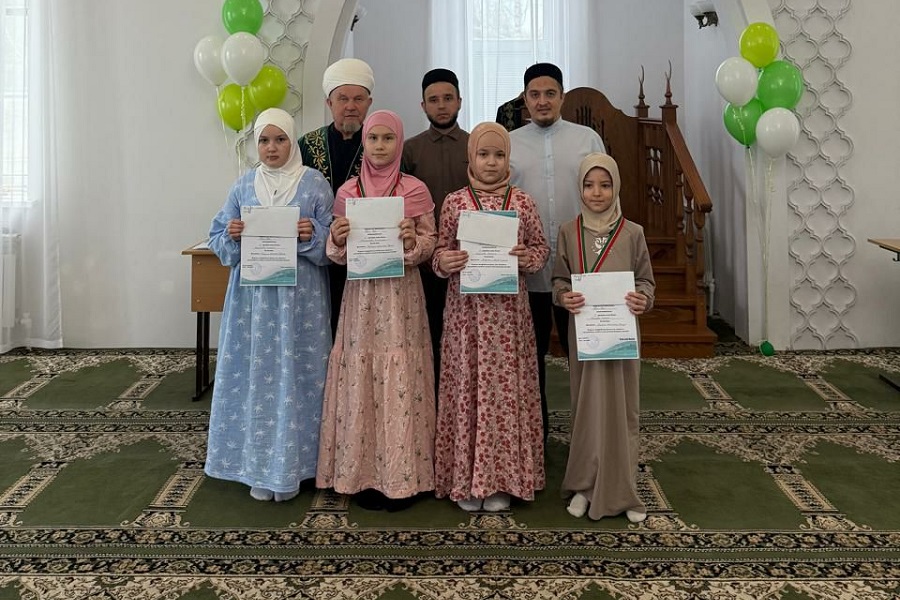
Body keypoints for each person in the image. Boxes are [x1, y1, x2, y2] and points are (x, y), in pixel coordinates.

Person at [205, 108, 334, 502]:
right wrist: (232, 234)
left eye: (280, 140)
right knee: (256, 376)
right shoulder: (243, 186)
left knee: (298, 375)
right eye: (264, 140)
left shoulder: (314, 184)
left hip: (300, 304)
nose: (272, 148)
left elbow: (334, 246)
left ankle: (298, 465)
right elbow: (216, 238)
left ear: (292, 142)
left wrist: (313, 234)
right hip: (253, 306)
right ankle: (258, 466)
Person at [316, 110, 438, 512]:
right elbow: (335, 254)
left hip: (401, 302)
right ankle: (363, 475)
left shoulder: (415, 190)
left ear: (399, 142)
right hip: (361, 302)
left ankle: (405, 477)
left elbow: (430, 244)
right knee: (362, 378)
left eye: (388, 138)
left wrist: (412, 239)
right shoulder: (348, 193)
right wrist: (337, 238)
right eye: (373, 138)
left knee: (400, 378)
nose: (380, 146)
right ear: (364, 143)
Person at [433, 122, 549, 512]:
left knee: (504, 394)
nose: (491, 162)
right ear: (471, 157)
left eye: (499, 155)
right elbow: (439, 252)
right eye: (483, 154)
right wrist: (446, 261)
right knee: (468, 389)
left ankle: (502, 479)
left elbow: (541, 248)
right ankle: (466, 481)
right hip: (466, 319)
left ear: (508, 158)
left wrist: (527, 258)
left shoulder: (523, 202)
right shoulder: (455, 202)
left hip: (508, 320)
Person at [552, 152, 655, 523]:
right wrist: (564, 296)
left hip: (622, 336)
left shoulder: (632, 233)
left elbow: (646, 281)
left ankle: (621, 488)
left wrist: (643, 298)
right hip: (585, 334)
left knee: (623, 409)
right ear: (579, 189)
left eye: (605, 185)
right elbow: (559, 279)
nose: (597, 193)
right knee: (587, 406)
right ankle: (584, 484)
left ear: (617, 187)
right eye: (589, 185)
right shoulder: (569, 231)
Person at [509, 62, 606, 443]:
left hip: (578, 268)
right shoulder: (510, 143)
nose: (542, 101)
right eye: (534, 94)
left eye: (550, 93)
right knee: (529, 360)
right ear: (525, 99)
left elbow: (606, 197)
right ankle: (536, 436)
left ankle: (591, 435)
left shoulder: (587, 140)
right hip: (526, 271)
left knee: (584, 355)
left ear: (562, 96)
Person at [402, 68, 470, 393]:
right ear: (423, 105)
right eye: (433, 100)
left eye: (447, 98)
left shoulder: (474, 146)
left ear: (459, 101)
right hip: (424, 264)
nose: (441, 106)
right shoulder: (410, 150)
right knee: (428, 335)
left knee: (463, 341)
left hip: (468, 261)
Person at [298, 57, 375, 339]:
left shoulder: (381, 144)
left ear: (369, 103)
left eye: (358, 99)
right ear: (329, 103)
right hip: (315, 258)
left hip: (366, 256)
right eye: (343, 98)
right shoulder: (307, 145)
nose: (350, 106)